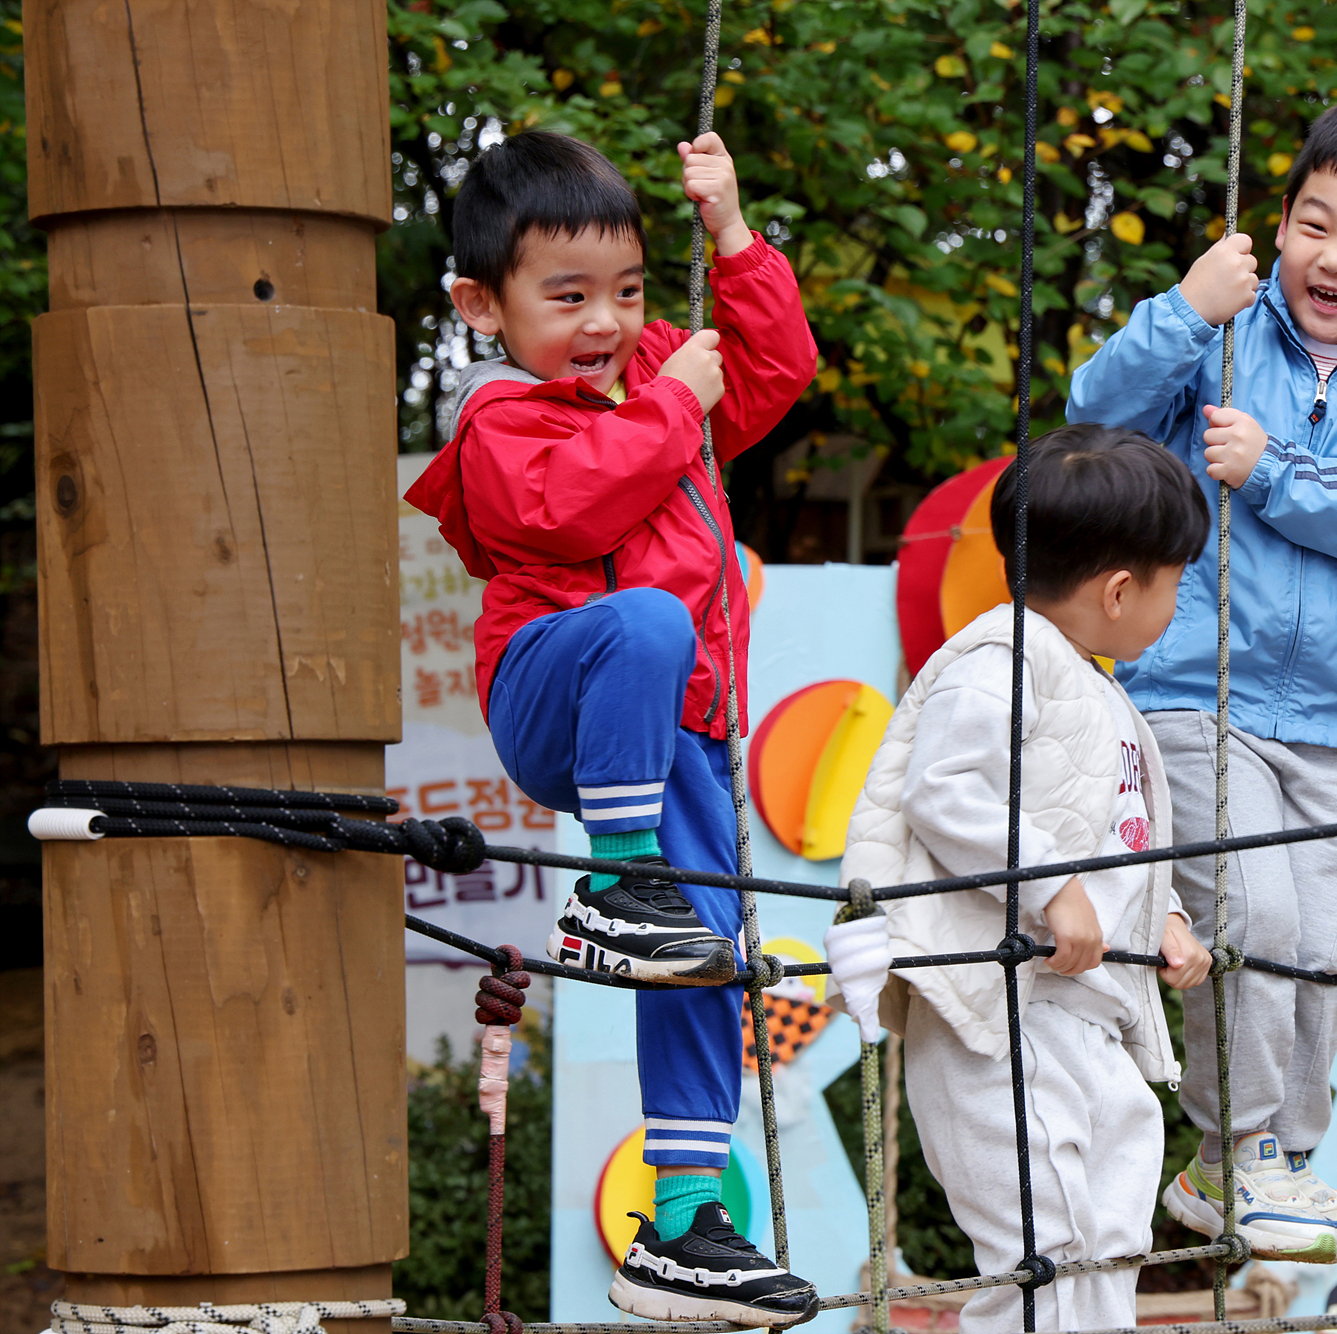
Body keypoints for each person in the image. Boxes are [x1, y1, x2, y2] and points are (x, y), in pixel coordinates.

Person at [403, 129, 819, 1325]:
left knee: (709, 946)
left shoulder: (660, 386)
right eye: (568, 296)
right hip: (552, 689)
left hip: (675, 727)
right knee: (644, 620)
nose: (605, 322)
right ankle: (614, 881)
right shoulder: (502, 417)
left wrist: (732, 233)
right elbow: (566, 502)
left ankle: (684, 1222)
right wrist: (671, 406)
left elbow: (776, 367)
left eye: (627, 292)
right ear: (483, 305)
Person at [1065, 93, 1337, 1263]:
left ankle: (1280, 1160)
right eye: (1312, 222)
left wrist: (1271, 467)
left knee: (1321, 945)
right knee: (1250, 910)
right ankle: (1232, 1147)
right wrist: (1182, 308)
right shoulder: (1221, 333)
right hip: (1199, 684)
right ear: (1279, 221)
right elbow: (1093, 417)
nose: (1331, 258)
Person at [833, 426, 1215, 1334]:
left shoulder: (1100, 691)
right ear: (1121, 591)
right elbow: (945, 788)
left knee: (1114, 1227)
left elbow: (1115, 833)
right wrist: (1049, 888)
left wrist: (1161, 913)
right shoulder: (999, 659)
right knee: (1040, 1249)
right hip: (996, 1013)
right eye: (1176, 584)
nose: (1178, 604)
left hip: (1089, 1016)